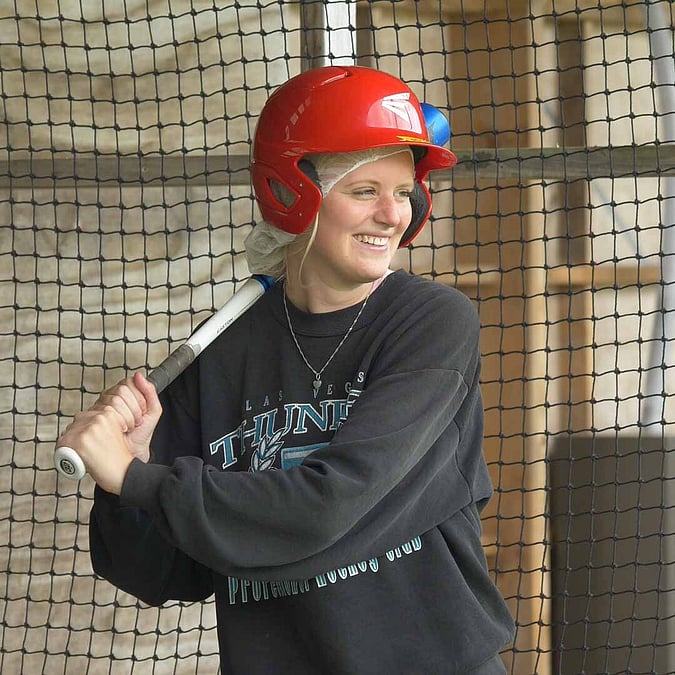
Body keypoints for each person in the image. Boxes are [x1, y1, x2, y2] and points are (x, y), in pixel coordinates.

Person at [57, 65, 515, 674]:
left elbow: (328, 507)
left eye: (403, 191)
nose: (392, 214)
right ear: (291, 192)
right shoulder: (221, 353)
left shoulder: (429, 324)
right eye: (364, 191)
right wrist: (127, 475)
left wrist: (140, 482)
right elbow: (160, 573)